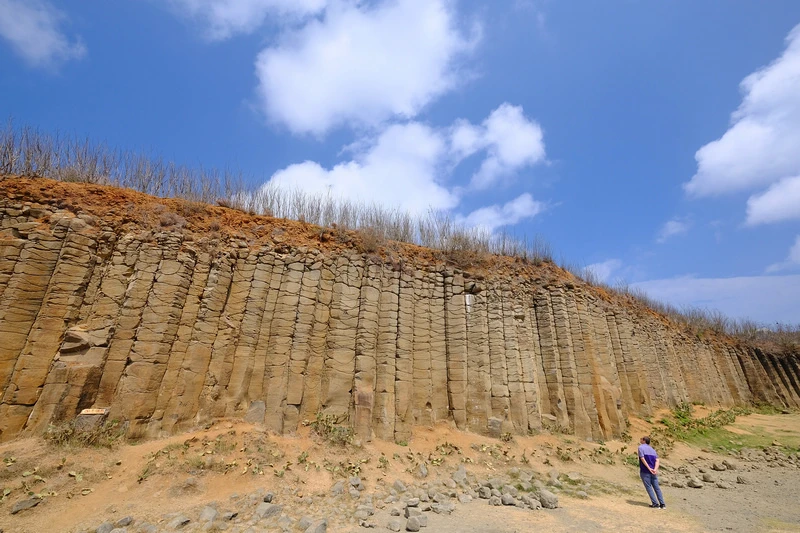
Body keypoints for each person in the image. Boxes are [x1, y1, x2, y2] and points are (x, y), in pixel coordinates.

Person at [638, 436, 665, 509]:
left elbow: (642, 458)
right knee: (657, 488)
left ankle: (655, 503)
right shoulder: (653, 450)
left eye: (641, 439)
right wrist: (655, 469)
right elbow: (657, 460)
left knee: (649, 487)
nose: (640, 440)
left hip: (645, 471)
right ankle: (662, 504)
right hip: (653, 471)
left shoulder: (641, 447)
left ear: (644, 440)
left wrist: (649, 468)